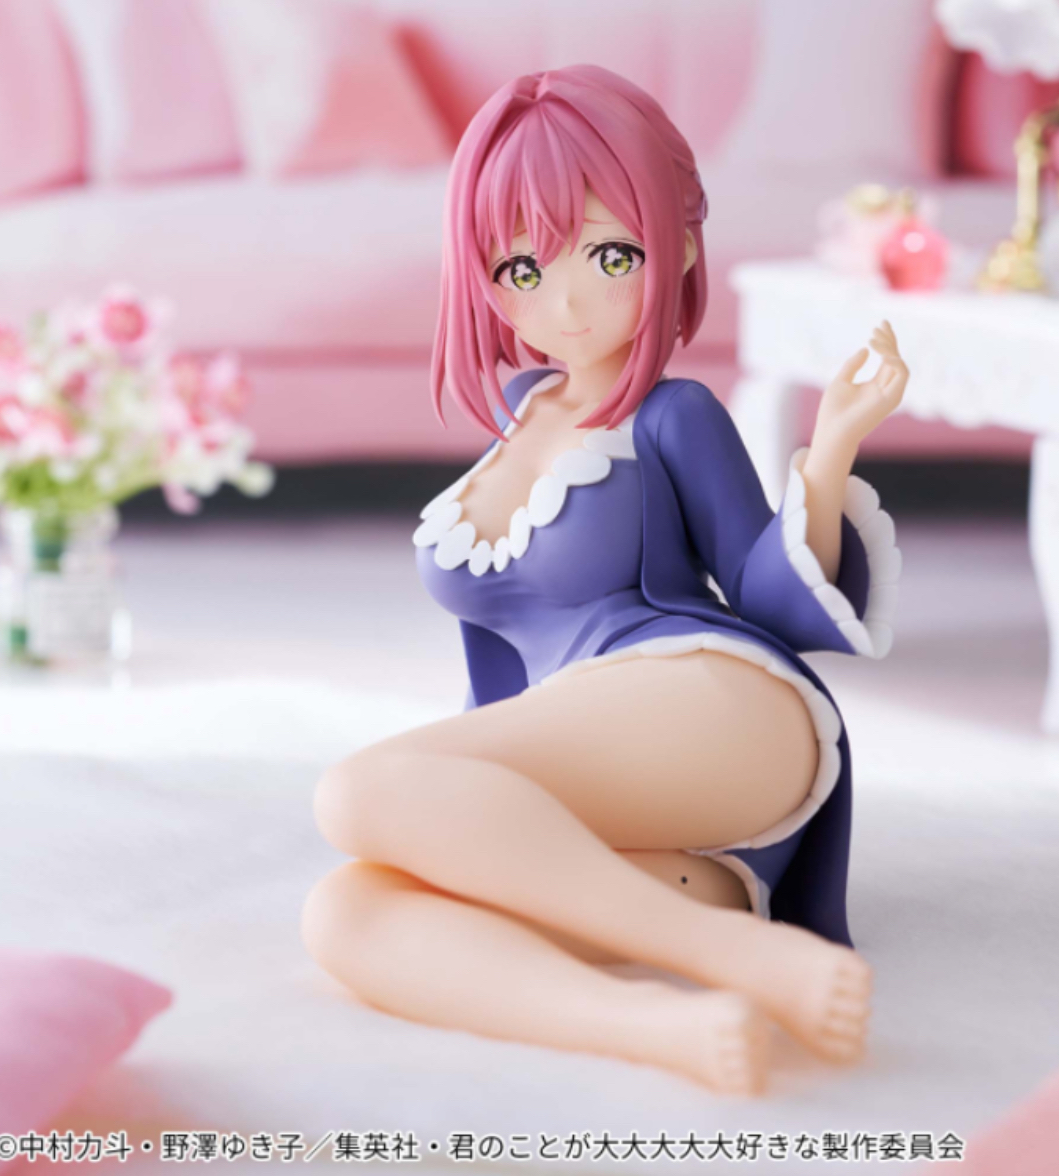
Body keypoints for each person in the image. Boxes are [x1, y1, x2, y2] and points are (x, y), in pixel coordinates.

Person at [301, 64, 909, 1097]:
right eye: (522, 267)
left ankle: (735, 956)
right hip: (665, 814)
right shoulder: (519, 414)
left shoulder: (672, 416)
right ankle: (667, 1021)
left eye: (611, 254)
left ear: (677, 248)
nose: (569, 299)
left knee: (360, 790)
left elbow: (766, 595)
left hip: (710, 702)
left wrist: (830, 454)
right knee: (348, 911)